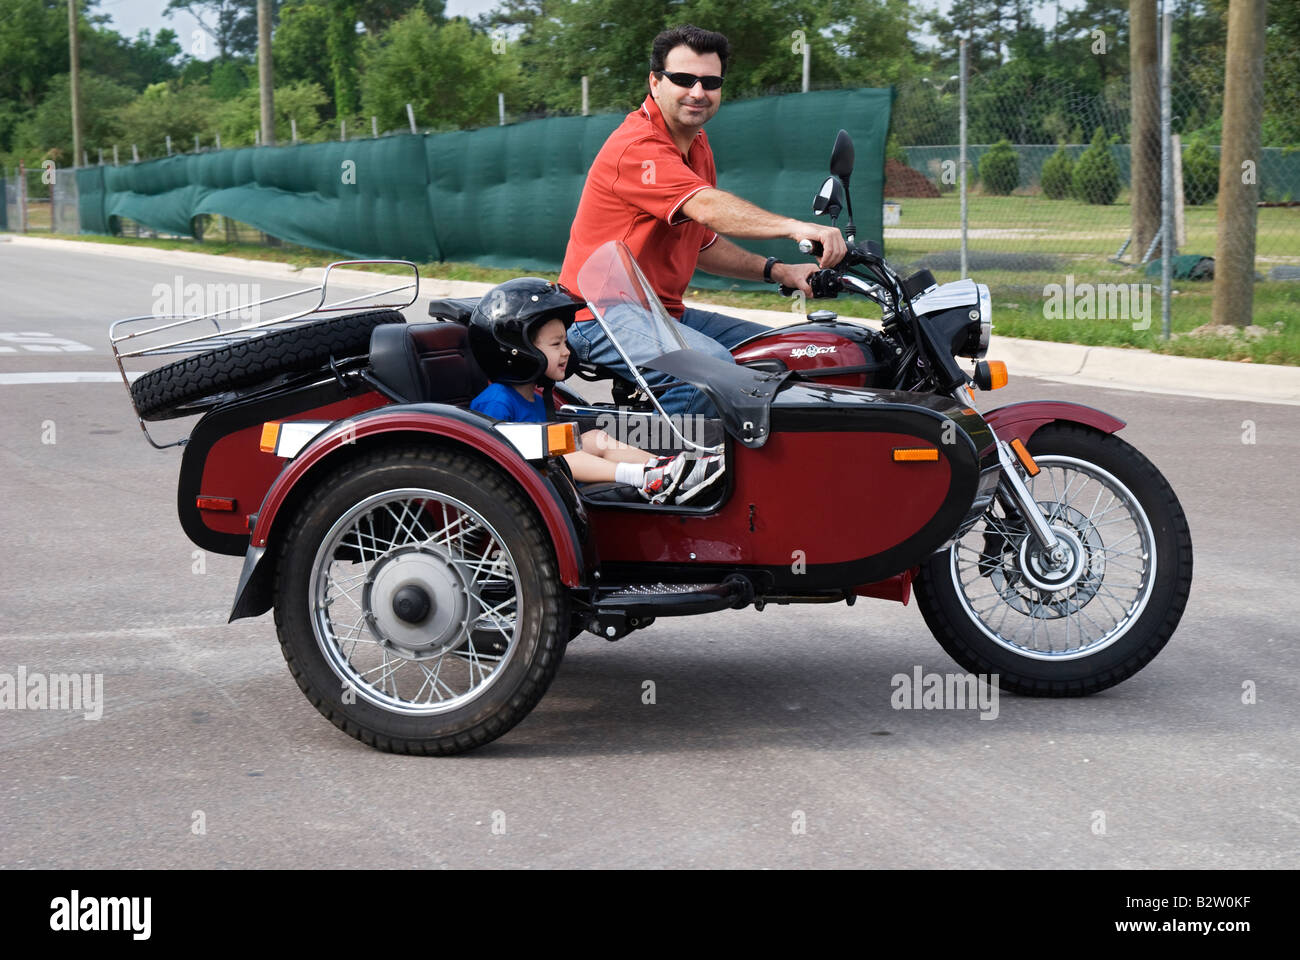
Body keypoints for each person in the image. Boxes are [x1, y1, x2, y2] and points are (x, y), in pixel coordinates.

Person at [558, 23, 848, 415]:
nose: (698, 92)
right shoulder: (637, 146)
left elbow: (702, 242)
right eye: (683, 79)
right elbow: (707, 208)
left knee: (786, 353)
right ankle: (670, 469)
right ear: (655, 82)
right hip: (599, 315)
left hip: (661, 314)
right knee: (708, 374)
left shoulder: (696, 144)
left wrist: (780, 271)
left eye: (710, 82)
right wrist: (797, 227)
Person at [467, 277, 725, 504]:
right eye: (556, 344)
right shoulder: (496, 402)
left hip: (552, 476)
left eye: (565, 342)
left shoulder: (538, 398)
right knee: (558, 454)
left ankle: (665, 470)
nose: (567, 351)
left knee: (594, 438)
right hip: (530, 488)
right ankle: (643, 476)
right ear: (516, 352)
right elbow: (490, 466)